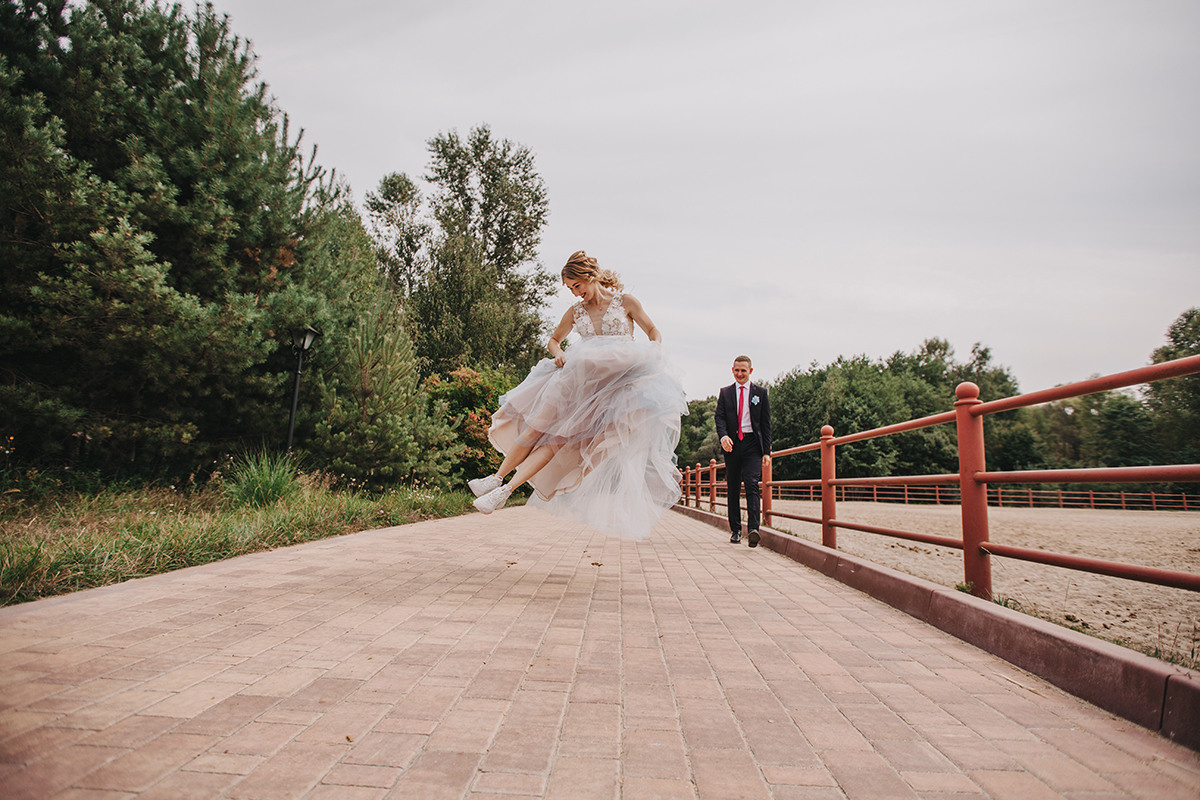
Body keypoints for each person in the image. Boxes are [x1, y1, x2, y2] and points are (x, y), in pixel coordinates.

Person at [467, 250, 687, 539]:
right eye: (570, 289)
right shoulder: (575, 312)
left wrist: (654, 351)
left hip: (611, 392)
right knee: (535, 428)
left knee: (556, 442)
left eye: (576, 286)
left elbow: (653, 331)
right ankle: (494, 479)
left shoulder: (626, 302)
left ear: (590, 277)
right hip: (575, 383)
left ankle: (506, 491)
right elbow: (554, 340)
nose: (575, 293)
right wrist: (558, 354)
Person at [714, 355, 772, 547]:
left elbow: (765, 424)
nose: (740, 374)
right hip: (732, 445)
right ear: (732, 370)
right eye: (737, 370)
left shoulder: (761, 393)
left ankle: (754, 529)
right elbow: (720, 418)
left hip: (752, 444)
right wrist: (723, 437)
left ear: (750, 371)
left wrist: (766, 452)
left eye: (743, 371)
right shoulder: (725, 393)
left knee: (752, 483)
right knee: (733, 487)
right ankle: (736, 530)